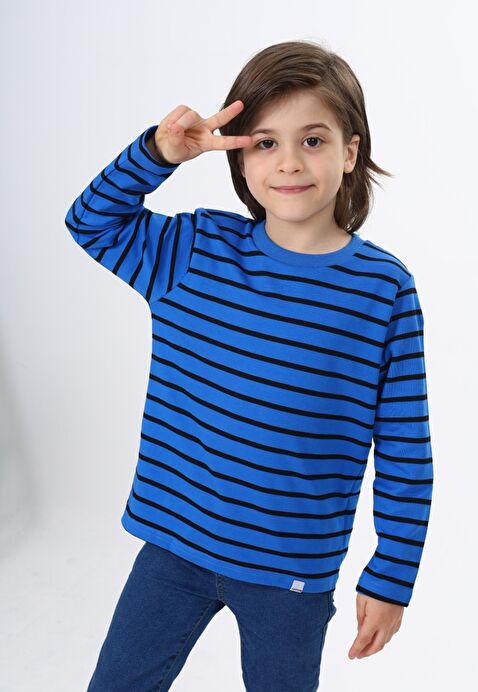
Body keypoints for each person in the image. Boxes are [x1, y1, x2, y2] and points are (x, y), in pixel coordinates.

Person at [65, 40, 434, 692]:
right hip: (174, 547)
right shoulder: (192, 249)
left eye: (313, 140)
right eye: (265, 142)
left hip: (289, 571)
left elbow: (406, 445)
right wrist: (158, 154)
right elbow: (91, 222)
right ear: (238, 155)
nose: (289, 161)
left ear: (350, 152)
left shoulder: (382, 290)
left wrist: (391, 576)